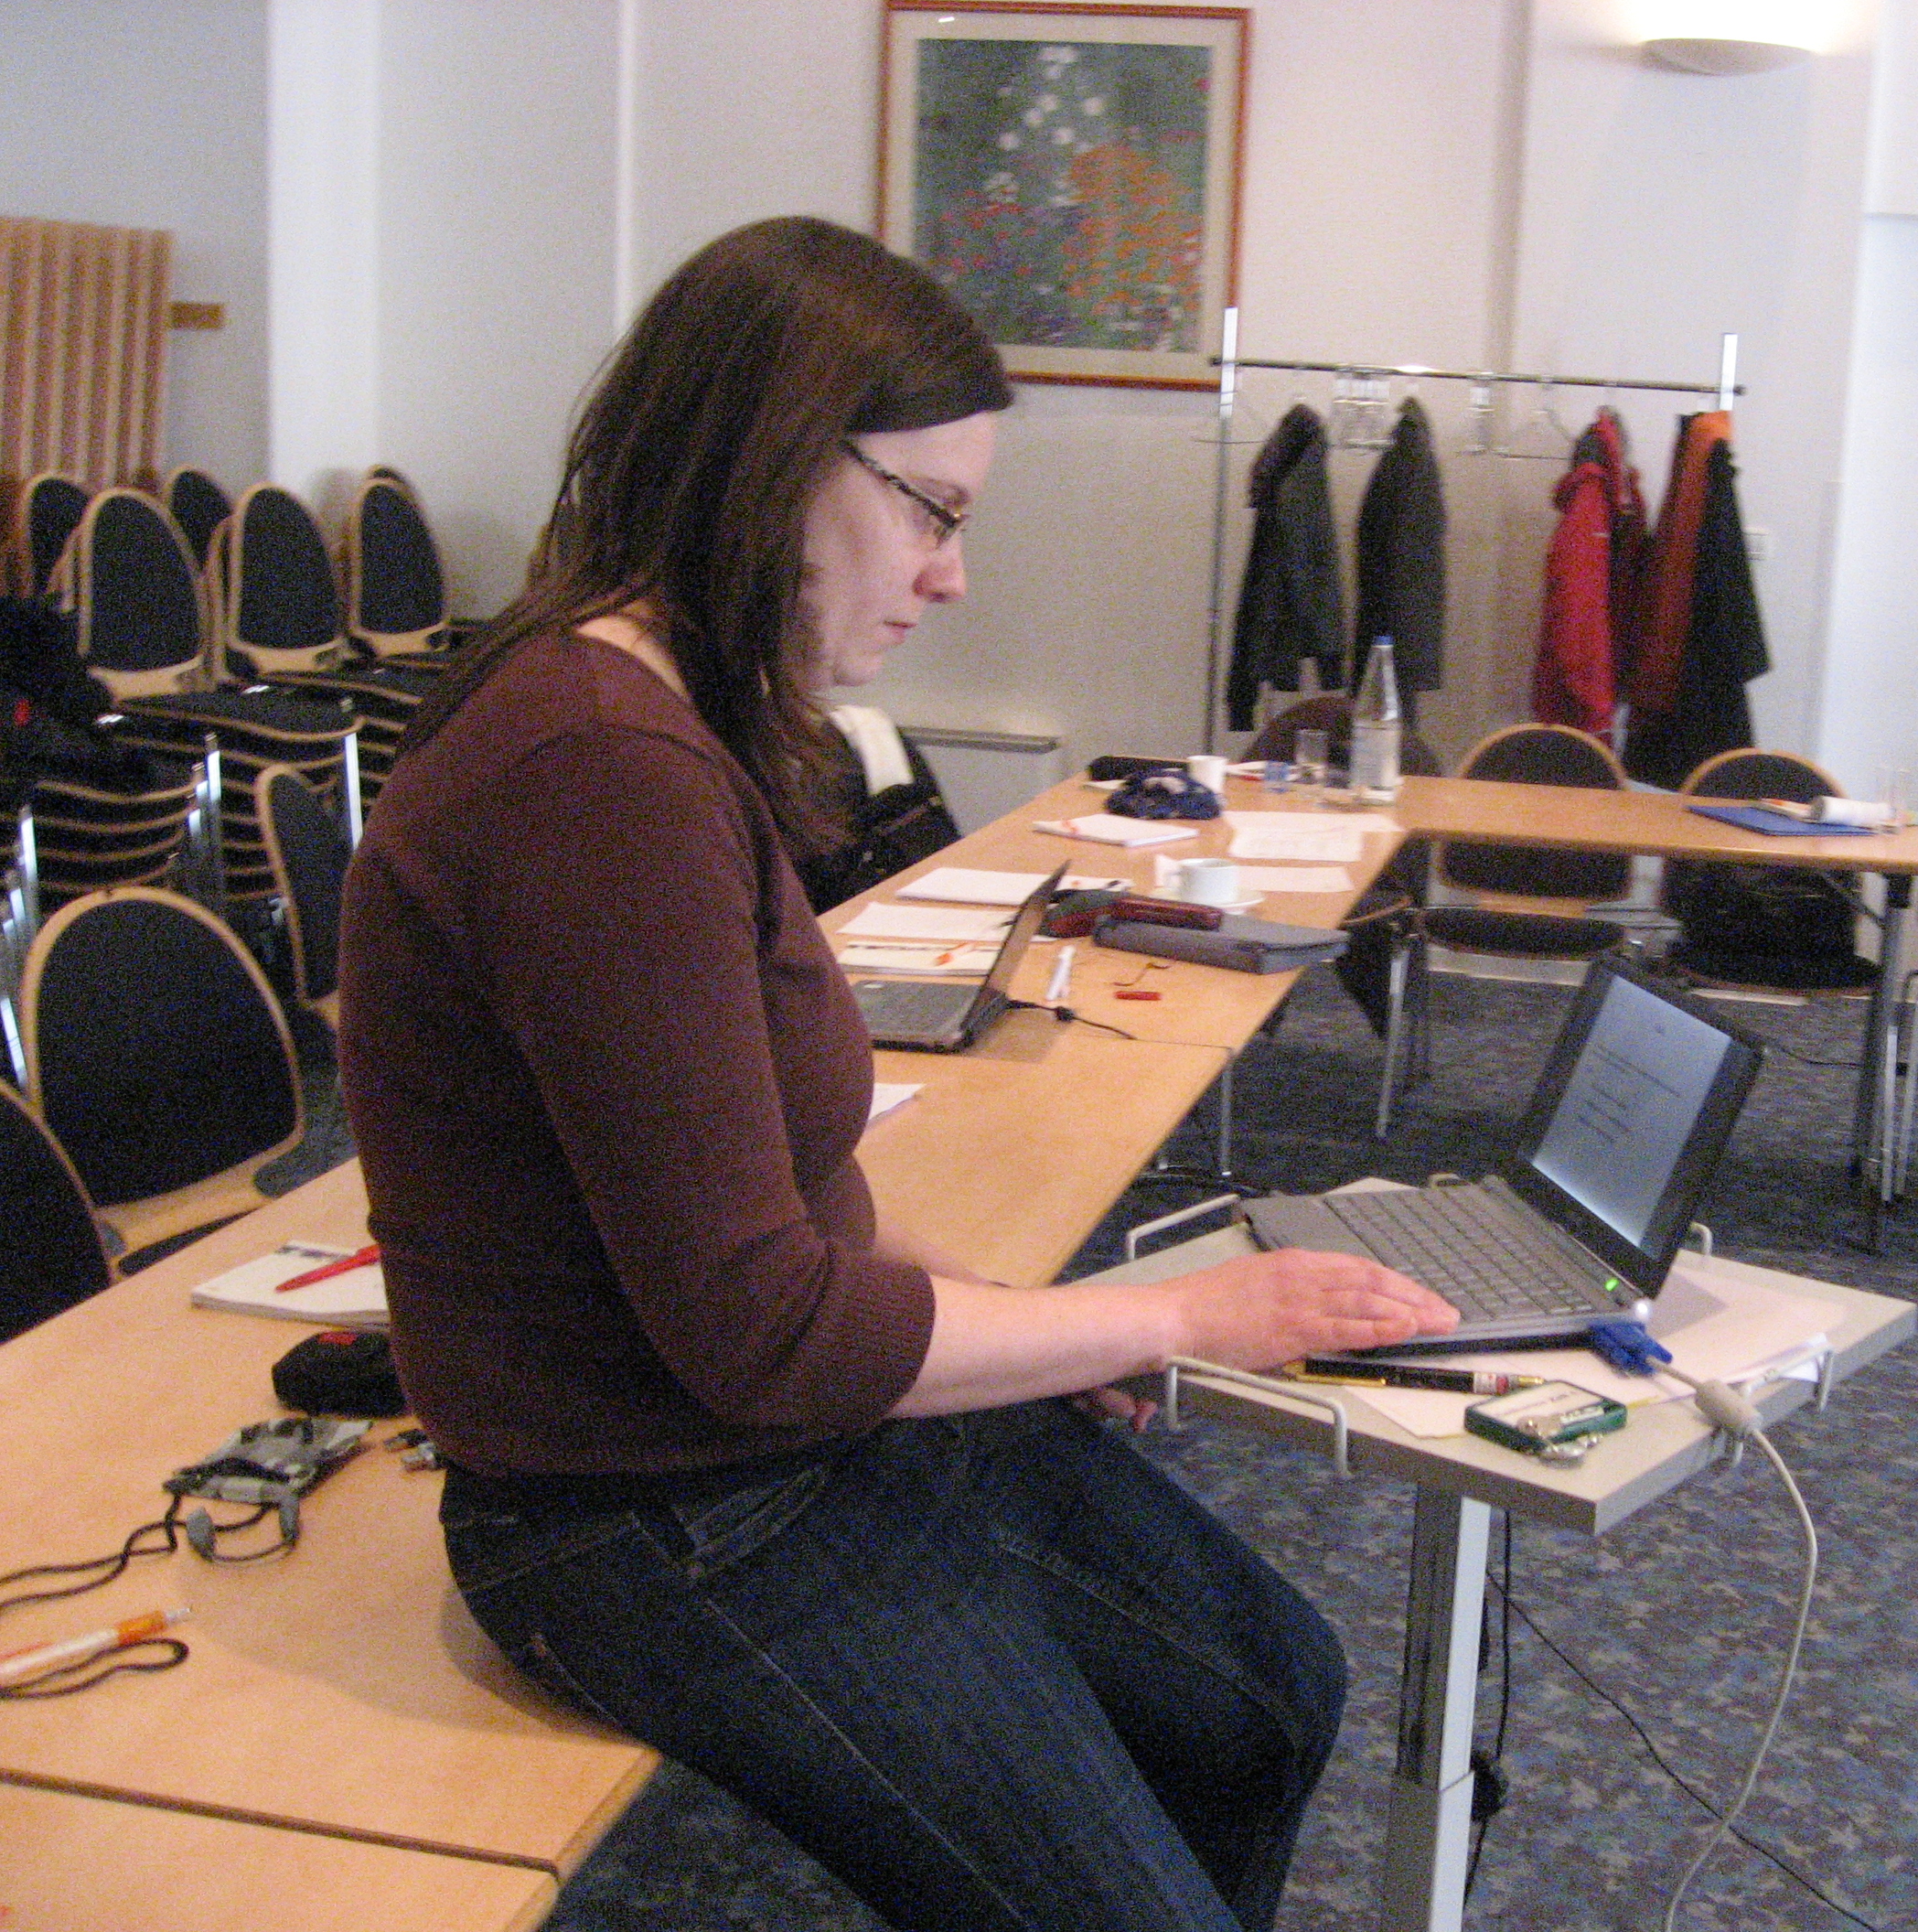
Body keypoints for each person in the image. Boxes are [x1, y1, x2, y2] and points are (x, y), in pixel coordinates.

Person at [335, 217, 1456, 1932]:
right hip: (642, 1510)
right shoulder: (598, 773)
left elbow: (764, 1213)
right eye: (931, 511)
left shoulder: (655, 723)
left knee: (1266, 1697)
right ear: (771, 462)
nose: (949, 576)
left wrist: (1025, 1328)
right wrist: (1168, 1319)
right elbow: (761, 1329)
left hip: (756, 1443)